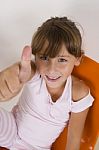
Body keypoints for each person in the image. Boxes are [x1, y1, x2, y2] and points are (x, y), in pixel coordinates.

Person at [0, 17, 94, 150]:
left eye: (61, 60)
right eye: (44, 58)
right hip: (12, 129)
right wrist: (13, 74)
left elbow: (74, 138)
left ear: (78, 58)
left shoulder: (78, 92)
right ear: (36, 56)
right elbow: (23, 71)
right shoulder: (35, 72)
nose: (51, 69)